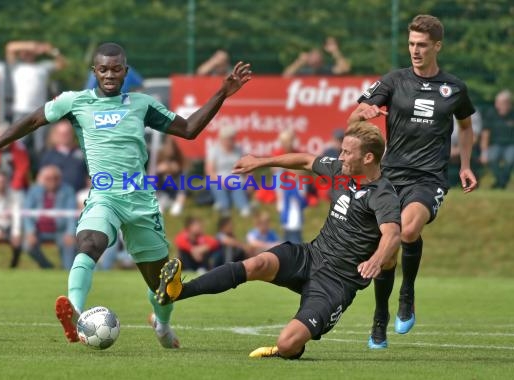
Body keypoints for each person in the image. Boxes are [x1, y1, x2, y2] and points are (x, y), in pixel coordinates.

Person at [0, 42, 252, 349]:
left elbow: (189, 129)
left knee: (161, 285)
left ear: (125, 71)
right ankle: (76, 312)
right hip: (104, 195)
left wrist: (223, 92)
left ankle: (162, 325)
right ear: (94, 71)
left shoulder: (141, 104)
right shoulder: (74, 102)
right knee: (89, 242)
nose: (109, 74)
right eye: (103, 69)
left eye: (116, 69)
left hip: (141, 200)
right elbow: (32, 121)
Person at [154, 122, 401, 359]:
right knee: (256, 264)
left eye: (347, 152)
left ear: (368, 158)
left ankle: (286, 351)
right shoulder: (340, 170)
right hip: (310, 255)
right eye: (342, 150)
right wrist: (260, 161)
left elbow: (392, 234)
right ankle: (178, 291)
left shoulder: (383, 195)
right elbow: (305, 160)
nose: (341, 156)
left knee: (287, 344)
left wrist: (376, 260)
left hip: (337, 282)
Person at [347, 14, 478, 348]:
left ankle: (407, 294)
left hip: (429, 177)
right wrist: (363, 112)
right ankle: (379, 319)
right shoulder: (393, 81)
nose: (415, 51)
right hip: (391, 177)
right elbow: (357, 112)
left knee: (407, 230)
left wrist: (465, 164)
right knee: (387, 251)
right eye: (411, 44)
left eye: (422, 45)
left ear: (437, 46)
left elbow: (465, 127)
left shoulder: (455, 88)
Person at [5, 40, 67, 160]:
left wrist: (51, 51)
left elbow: (62, 64)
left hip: (40, 111)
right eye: (25, 52)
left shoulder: (43, 67)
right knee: (19, 145)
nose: (27, 54)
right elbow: (10, 48)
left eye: (30, 52)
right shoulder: (16, 66)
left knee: (41, 146)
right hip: (21, 111)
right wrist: (33, 46)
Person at [23, 165, 76, 270]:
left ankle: (68, 271)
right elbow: (26, 213)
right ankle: (47, 267)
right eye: (48, 178)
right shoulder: (34, 191)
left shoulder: (68, 191)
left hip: (60, 230)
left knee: (70, 245)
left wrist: (70, 233)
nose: (52, 181)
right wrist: (30, 231)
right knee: (27, 245)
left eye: (55, 178)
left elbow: (72, 214)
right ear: (42, 179)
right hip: (38, 230)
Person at [205, 126, 251, 217]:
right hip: (218, 178)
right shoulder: (214, 150)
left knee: (239, 186)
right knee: (217, 185)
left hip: (236, 178)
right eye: (229, 139)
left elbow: (248, 166)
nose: (231, 141)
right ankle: (224, 207)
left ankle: (244, 207)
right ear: (222, 139)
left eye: (232, 138)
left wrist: (249, 180)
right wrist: (221, 181)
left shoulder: (239, 150)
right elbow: (209, 170)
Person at [39, 119, 88, 192]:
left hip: (81, 193)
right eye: (61, 134)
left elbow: (89, 175)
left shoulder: (82, 152)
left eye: (67, 133)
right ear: (55, 135)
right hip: (58, 195)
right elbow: (41, 180)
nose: (65, 137)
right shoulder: (48, 155)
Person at [480, 90, 514, 189]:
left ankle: (500, 183)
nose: (497, 105)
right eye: (497, 102)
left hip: (511, 145)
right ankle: (501, 182)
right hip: (495, 145)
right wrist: (484, 153)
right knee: (492, 159)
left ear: (508, 103)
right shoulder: (491, 114)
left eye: (500, 103)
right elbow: (485, 135)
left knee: (510, 160)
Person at [283, 37, 351, 77]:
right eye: (312, 54)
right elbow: (286, 76)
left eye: (317, 55)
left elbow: (344, 69)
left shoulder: (325, 70)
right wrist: (299, 62)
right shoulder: (304, 71)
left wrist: (335, 51)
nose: (314, 57)